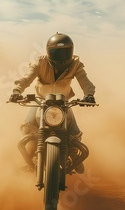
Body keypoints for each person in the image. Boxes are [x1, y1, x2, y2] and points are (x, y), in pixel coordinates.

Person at [9, 32, 96, 173]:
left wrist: (89, 95)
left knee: (75, 133)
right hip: (41, 102)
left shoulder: (76, 65)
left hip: (64, 103)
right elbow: (26, 78)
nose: (61, 57)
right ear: (49, 51)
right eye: (56, 52)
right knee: (27, 128)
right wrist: (17, 91)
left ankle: (73, 156)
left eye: (64, 52)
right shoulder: (40, 62)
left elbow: (86, 82)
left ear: (71, 51)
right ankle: (30, 158)